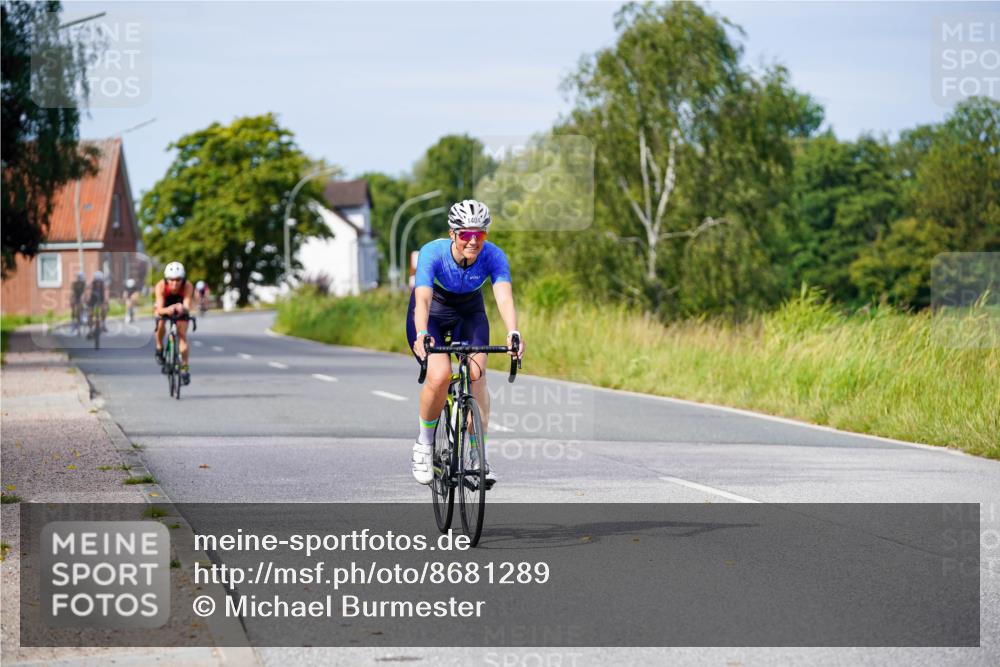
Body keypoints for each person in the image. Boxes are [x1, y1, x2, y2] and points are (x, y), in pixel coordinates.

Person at [407, 200, 525, 488]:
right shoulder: (432, 253)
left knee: (476, 375)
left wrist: (513, 331)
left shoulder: (494, 256)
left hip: (470, 313)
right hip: (432, 314)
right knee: (440, 375)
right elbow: (421, 298)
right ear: (452, 234)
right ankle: (423, 445)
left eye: (479, 235)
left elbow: (504, 297)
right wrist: (422, 332)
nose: (473, 242)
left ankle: (476, 454)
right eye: (465, 235)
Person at [154, 261, 194, 385]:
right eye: (171, 280)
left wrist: (182, 308)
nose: (175, 284)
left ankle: (185, 369)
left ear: (182, 279)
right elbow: (159, 309)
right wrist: (169, 310)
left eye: (178, 280)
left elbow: (187, 306)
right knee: (160, 323)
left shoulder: (187, 286)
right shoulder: (160, 286)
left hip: (180, 306)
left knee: (182, 335)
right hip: (165, 306)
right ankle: (159, 347)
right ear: (167, 280)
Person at [86, 270, 107, 337]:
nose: (98, 283)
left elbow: (106, 293)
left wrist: (106, 301)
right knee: (90, 314)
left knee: (104, 309)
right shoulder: (92, 284)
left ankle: (103, 324)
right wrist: (87, 299)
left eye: (99, 281)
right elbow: (87, 291)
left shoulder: (103, 285)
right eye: (97, 281)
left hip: (101, 298)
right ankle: (90, 330)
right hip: (92, 299)